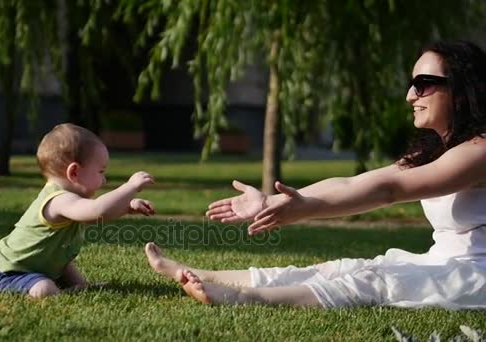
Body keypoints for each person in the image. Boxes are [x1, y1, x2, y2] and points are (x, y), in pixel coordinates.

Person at [145, 40, 486, 309]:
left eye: (424, 84)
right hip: (442, 263)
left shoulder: (479, 151)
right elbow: (355, 182)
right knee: (338, 268)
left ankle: (243, 299)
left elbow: (389, 190)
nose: (411, 95)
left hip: (476, 275)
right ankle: (207, 276)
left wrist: (302, 209)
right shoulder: (434, 150)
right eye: (413, 84)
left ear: (460, 93)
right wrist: (277, 200)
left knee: (374, 280)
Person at [0, 123, 155, 298]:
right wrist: (130, 186)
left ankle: (79, 286)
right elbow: (98, 211)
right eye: (100, 171)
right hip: (9, 273)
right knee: (45, 289)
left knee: (61, 257)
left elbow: (96, 212)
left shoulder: (71, 201)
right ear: (74, 172)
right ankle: (64, 292)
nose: (104, 181)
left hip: (42, 264)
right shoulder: (59, 200)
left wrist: (127, 207)